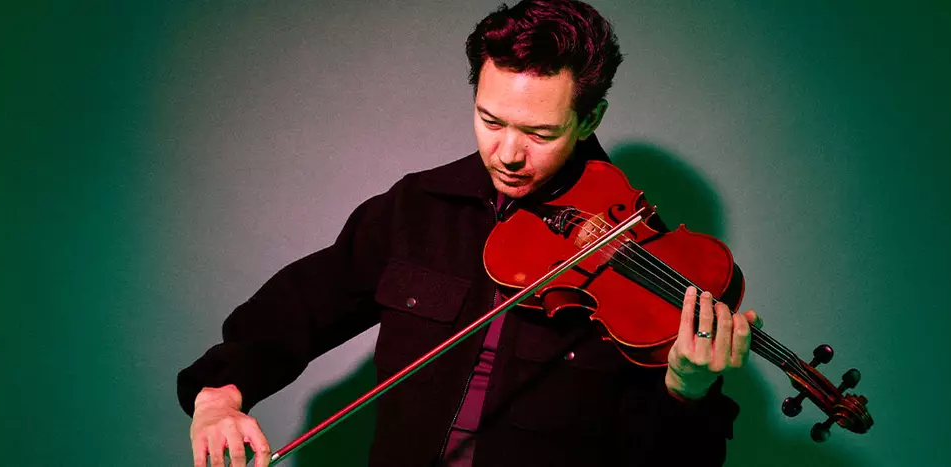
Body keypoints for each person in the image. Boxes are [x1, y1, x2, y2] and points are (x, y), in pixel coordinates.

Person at [178, 1, 762, 466]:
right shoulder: (417, 206)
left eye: (540, 133)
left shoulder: (641, 256)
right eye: (490, 120)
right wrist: (219, 395)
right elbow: (304, 302)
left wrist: (686, 391)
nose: (507, 154)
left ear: (590, 119)